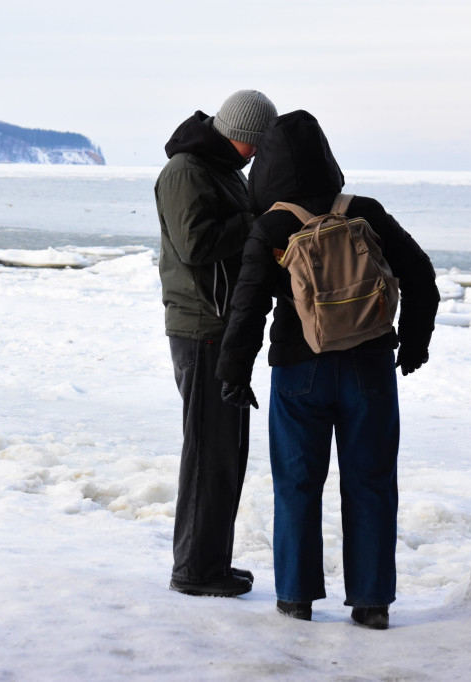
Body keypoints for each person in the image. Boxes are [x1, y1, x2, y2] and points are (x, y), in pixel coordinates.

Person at [216, 110, 439, 625]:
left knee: (296, 484)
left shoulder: (271, 226)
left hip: (299, 371)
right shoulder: (365, 211)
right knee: (372, 483)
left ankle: (295, 598)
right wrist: (414, 342)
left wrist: (235, 371)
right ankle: (372, 604)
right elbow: (420, 274)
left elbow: (248, 306)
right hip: (370, 365)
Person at [155, 89, 278, 597]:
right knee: (209, 452)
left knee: (225, 451)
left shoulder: (222, 168)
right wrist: (258, 222)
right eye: (255, 145)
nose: (257, 156)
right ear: (237, 135)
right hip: (200, 327)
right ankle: (194, 571)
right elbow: (197, 244)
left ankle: (210, 562)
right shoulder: (186, 171)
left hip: (219, 325)